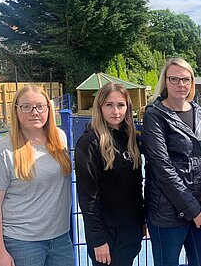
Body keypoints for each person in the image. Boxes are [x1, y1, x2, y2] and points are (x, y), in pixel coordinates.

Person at [0, 85, 73, 266]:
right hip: (22, 243)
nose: (34, 112)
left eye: (40, 106)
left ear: (48, 109)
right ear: (16, 110)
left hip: (60, 239)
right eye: (26, 106)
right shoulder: (3, 150)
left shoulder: (60, 139)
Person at [142, 58, 201, 266]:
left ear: (192, 82)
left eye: (185, 79)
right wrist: (194, 211)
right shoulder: (155, 115)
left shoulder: (199, 113)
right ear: (165, 81)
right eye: (174, 79)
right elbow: (163, 169)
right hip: (167, 214)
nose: (180, 84)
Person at [75, 83, 144, 266]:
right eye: (109, 105)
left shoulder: (132, 139)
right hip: (106, 237)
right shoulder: (89, 143)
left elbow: (137, 186)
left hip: (130, 233)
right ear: (100, 107)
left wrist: (141, 221)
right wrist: (97, 239)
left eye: (120, 105)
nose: (115, 111)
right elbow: (87, 197)